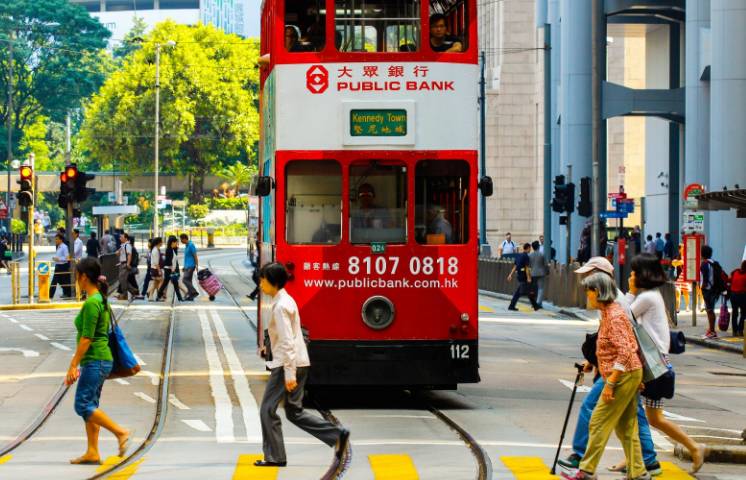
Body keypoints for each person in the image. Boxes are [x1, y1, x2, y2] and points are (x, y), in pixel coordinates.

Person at [559, 257, 661, 477]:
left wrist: (611, 382)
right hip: (627, 372)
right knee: (626, 427)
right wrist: (596, 361)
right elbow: (623, 344)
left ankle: (586, 470)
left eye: (589, 290)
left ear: (600, 289)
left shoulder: (614, 314)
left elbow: (626, 349)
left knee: (597, 420)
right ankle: (640, 472)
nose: (587, 294)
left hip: (622, 374)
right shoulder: (608, 311)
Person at [255, 262, 349, 467]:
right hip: (300, 361)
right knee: (294, 411)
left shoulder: (280, 306)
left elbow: (288, 341)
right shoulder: (288, 300)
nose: (260, 285)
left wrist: (289, 375)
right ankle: (336, 435)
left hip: (288, 364)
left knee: (267, 409)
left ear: (273, 282)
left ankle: (275, 457)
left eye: (263, 280)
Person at [627, 253, 705, 473]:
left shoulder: (646, 298)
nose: (631, 276)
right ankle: (638, 456)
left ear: (642, 274)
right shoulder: (653, 295)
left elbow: (624, 317)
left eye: (634, 272)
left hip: (651, 366)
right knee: (651, 417)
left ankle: (691, 447)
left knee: (636, 413)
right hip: (658, 364)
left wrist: (631, 293)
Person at [65, 257, 131, 465]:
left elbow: (87, 338)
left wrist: (73, 364)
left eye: (77, 275)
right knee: (91, 405)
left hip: (96, 360)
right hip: (99, 361)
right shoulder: (100, 299)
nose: (76, 279)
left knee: (82, 405)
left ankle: (120, 432)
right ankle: (92, 451)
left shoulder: (93, 303)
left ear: (84, 277)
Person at [700, 245, 726, 339]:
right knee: (710, 310)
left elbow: (705, 278)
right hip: (714, 289)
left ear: (702, 253)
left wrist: (702, 287)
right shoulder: (714, 262)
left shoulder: (704, 264)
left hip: (708, 290)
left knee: (710, 311)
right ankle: (711, 330)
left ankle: (712, 331)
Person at [507, 243, 539, 311]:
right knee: (521, 292)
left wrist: (510, 274)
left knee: (526, 291)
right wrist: (528, 277)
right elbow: (526, 268)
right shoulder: (526, 256)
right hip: (524, 276)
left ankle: (535, 306)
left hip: (519, 275)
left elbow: (515, 266)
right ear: (527, 248)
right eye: (530, 248)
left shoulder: (519, 255)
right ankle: (512, 306)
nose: (530, 250)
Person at [157, 236, 183, 302]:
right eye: (175, 242)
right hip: (169, 270)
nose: (176, 244)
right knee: (172, 284)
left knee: (170, 283)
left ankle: (159, 296)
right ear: (172, 242)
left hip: (170, 270)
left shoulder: (172, 249)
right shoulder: (169, 250)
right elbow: (168, 261)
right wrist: (172, 268)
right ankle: (180, 298)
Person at [117, 233, 139, 301]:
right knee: (123, 280)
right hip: (122, 264)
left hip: (125, 265)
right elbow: (117, 253)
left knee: (122, 280)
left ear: (126, 238)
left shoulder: (128, 245)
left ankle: (125, 295)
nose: (120, 238)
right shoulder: (123, 245)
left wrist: (128, 264)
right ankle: (133, 291)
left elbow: (129, 255)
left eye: (121, 237)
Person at [50, 233, 72, 299]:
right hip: (58, 266)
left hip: (62, 267)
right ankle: (50, 295)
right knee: (58, 281)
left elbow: (67, 258)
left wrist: (58, 259)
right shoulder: (59, 247)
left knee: (60, 281)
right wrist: (56, 259)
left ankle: (50, 295)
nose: (55, 241)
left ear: (61, 240)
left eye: (57, 239)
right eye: (55, 239)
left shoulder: (64, 247)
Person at [528, 241, 548, 308]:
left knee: (533, 289)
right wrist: (547, 271)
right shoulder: (542, 254)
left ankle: (535, 303)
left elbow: (529, 265)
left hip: (533, 273)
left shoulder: (530, 255)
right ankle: (538, 303)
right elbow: (545, 264)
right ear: (538, 247)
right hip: (541, 273)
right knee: (540, 288)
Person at [180, 233, 199, 301]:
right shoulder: (187, 246)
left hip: (191, 266)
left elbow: (195, 256)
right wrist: (184, 267)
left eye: (181, 239)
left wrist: (196, 265)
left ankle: (194, 292)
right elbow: (187, 257)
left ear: (184, 239)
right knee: (189, 281)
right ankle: (191, 296)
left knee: (184, 280)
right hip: (187, 266)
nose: (181, 241)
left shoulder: (191, 245)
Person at [729, 261, 746, 337]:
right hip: (742, 296)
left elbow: (729, 280)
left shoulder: (735, 272)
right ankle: (740, 330)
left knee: (735, 313)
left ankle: (734, 331)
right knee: (744, 313)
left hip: (733, 295)